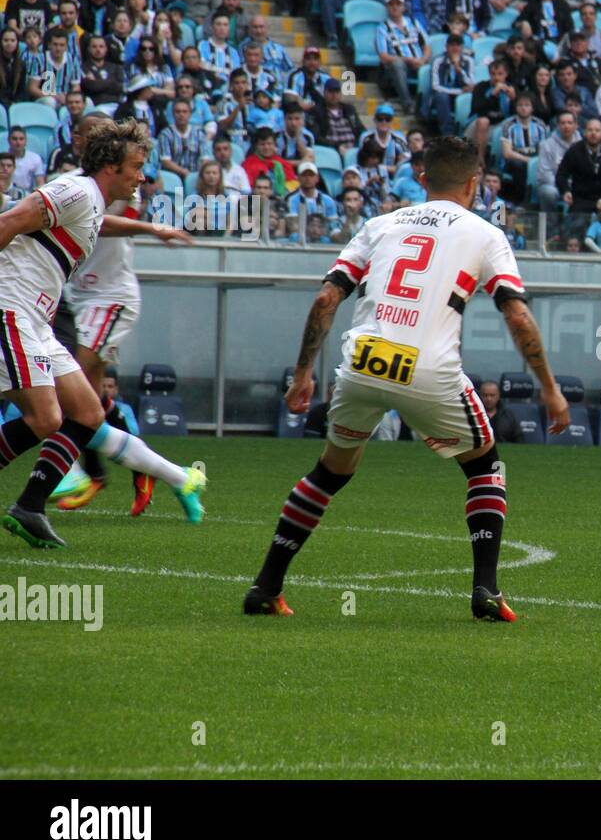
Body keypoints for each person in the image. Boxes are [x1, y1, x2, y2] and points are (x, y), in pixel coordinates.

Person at [243, 136, 570, 620]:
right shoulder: (485, 233)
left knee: (330, 471)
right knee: (484, 467)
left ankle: (265, 586)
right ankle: (486, 591)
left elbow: (325, 300)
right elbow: (518, 316)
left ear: (422, 179)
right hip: (428, 368)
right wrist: (549, 386)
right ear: (474, 183)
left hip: (363, 360)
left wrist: (303, 374)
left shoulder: (381, 224)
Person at [0, 118, 203, 549]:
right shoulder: (74, 190)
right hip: (11, 309)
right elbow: (12, 220)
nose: (143, 176)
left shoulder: (90, 199)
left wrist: (152, 229)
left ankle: (30, 507)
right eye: (137, 166)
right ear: (111, 166)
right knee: (45, 418)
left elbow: (97, 225)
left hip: (37, 322)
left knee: (88, 413)